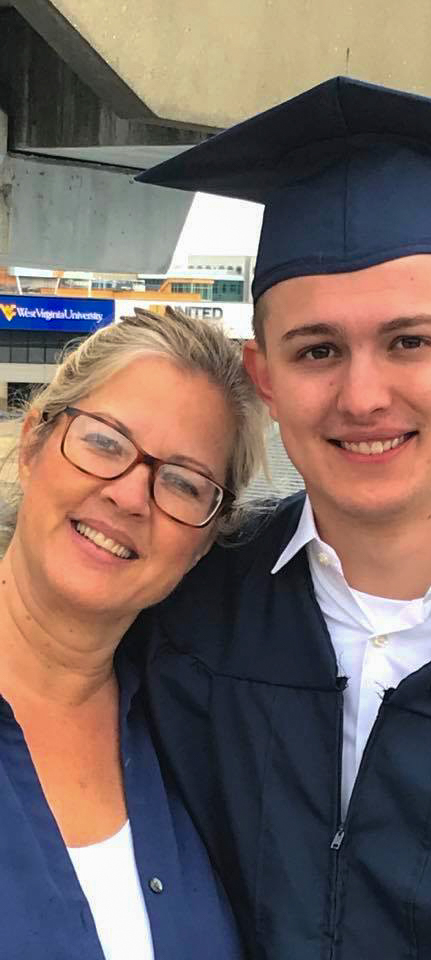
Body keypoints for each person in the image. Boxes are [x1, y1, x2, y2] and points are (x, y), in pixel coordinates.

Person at [137, 78, 431, 959]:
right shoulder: (185, 606)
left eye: (410, 341)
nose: (362, 396)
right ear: (267, 377)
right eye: (317, 350)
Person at [0, 306, 265, 960]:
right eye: (105, 443)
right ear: (34, 442)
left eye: (182, 482)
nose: (128, 495)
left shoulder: (199, 735)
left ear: (206, 540)